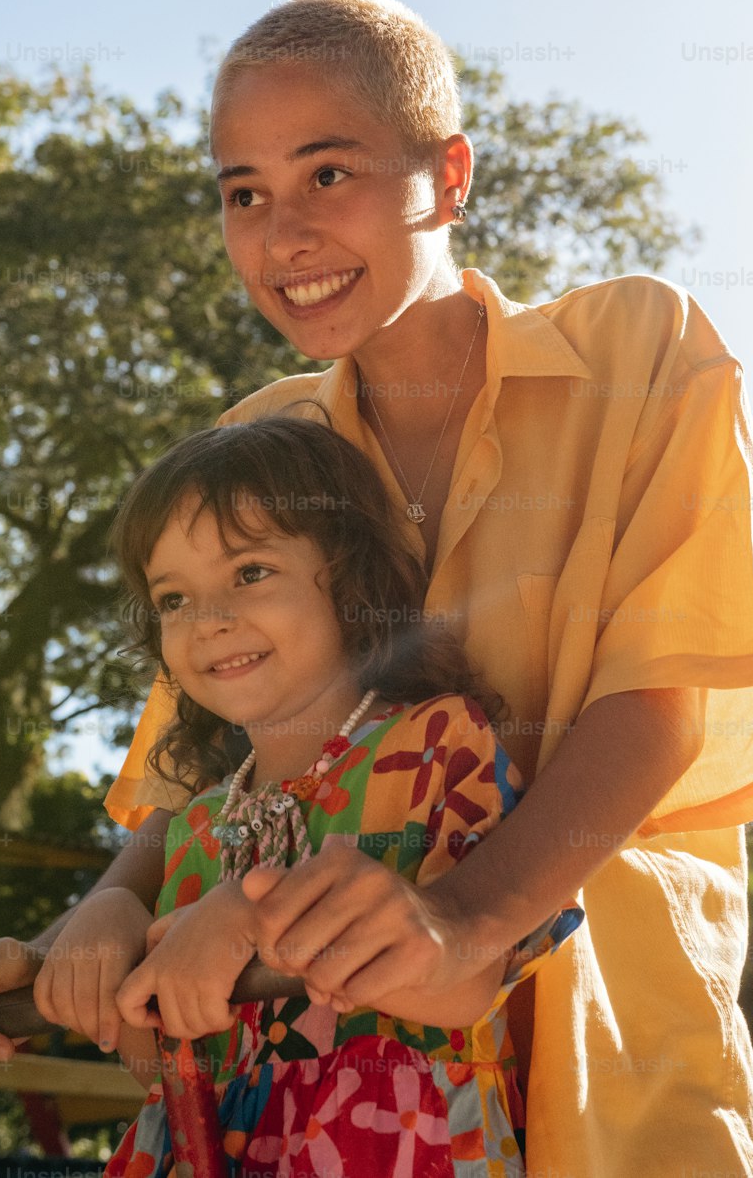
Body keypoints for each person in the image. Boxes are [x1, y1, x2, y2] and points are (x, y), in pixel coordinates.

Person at [0, 0, 753, 1178]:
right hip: (299, 1113)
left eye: (328, 175)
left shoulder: (636, 348)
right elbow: (206, 771)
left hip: (605, 1073)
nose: (282, 238)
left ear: (448, 172)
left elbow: (657, 701)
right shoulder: (255, 438)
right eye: (243, 194)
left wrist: (462, 918)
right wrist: (86, 930)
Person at [90, 413, 582, 1175]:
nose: (209, 622)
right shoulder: (192, 827)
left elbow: (464, 984)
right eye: (173, 600)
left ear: (351, 578)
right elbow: (158, 1068)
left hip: (391, 1147)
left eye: (249, 573)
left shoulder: (436, 744)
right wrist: (115, 985)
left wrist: (248, 916)